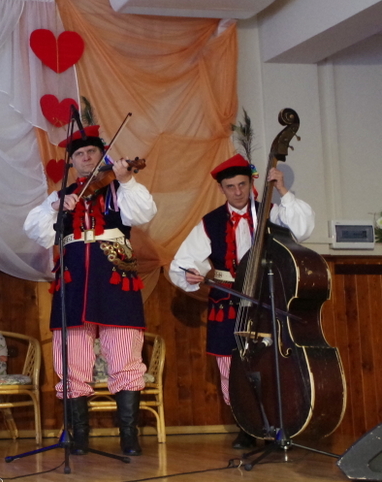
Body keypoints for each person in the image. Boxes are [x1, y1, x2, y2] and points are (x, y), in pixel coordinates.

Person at [24, 125, 157, 456]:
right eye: (79, 154)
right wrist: (56, 208)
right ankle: (78, 435)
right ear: (72, 162)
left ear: (102, 156)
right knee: (72, 360)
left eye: (92, 153)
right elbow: (37, 231)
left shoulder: (118, 188)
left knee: (124, 354)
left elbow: (144, 212)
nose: (85, 158)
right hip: (74, 282)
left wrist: (127, 180)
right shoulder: (62, 196)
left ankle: (128, 435)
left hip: (115, 278)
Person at [168, 153, 314, 449]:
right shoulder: (211, 222)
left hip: (265, 298)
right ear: (221, 189)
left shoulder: (270, 212)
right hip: (228, 299)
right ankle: (245, 425)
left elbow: (302, 229)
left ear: (251, 184)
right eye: (230, 186)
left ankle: (275, 425)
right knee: (230, 365)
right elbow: (182, 263)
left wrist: (282, 190)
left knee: (271, 363)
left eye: (242, 185)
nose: (237, 192)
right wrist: (191, 274)